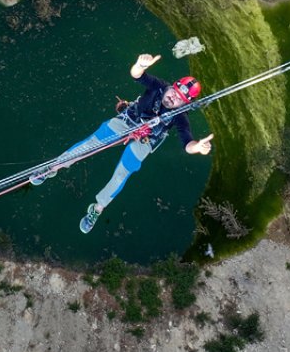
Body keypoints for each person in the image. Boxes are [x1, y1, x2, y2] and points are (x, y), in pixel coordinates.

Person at [31, 53, 215, 233]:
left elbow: (186, 141)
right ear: (172, 87)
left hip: (146, 140)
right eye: (174, 93)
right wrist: (140, 65)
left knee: (122, 174)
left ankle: (97, 208)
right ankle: (52, 169)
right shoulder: (158, 86)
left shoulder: (180, 116)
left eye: (179, 100)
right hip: (127, 122)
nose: (173, 99)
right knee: (89, 145)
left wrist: (197, 147)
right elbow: (137, 75)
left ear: (183, 105)